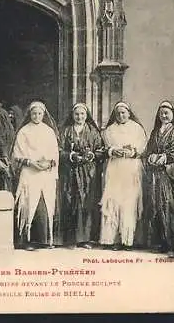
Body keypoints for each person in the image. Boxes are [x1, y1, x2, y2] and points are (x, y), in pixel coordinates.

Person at [143, 101, 174, 258]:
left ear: (173, 115)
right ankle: (164, 243)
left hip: (173, 179)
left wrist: (167, 157)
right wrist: (151, 156)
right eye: (161, 113)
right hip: (157, 178)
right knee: (159, 208)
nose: (163, 115)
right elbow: (148, 151)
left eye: (166, 113)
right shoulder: (155, 132)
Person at [11, 101, 59, 251]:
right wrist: (31, 163)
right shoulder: (24, 131)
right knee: (28, 202)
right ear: (29, 114)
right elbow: (17, 154)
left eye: (39, 114)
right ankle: (27, 241)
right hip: (30, 172)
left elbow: (55, 153)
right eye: (34, 113)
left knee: (45, 203)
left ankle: (44, 240)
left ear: (44, 115)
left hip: (45, 173)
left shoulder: (49, 131)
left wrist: (48, 163)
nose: (37, 116)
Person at [99, 101, 147, 250]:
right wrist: (112, 151)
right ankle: (111, 240)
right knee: (112, 201)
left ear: (129, 113)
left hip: (131, 169)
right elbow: (104, 147)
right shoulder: (110, 130)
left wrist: (132, 152)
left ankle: (128, 240)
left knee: (129, 202)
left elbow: (143, 146)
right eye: (118, 113)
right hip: (115, 168)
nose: (121, 116)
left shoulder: (137, 128)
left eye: (123, 113)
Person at [58, 103, 105, 249]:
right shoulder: (65, 131)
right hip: (70, 172)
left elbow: (101, 150)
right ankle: (70, 238)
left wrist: (92, 155)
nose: (79, 117)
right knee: (70, 201)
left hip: (88, 172)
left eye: (82, 114)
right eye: (77, 114)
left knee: (87, 202)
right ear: (72, 115)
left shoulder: (93, 131)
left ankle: (86, 238)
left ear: (87, 115)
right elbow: (58, 149)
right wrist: (70, 155)